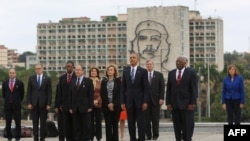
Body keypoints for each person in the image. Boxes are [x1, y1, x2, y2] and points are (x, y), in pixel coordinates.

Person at [165, 56, 198, 141]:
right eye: (177, 61)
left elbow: (194, 89)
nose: (178, 63)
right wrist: (168, 103)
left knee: (187, 127)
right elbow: (169, 89)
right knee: (177, 127)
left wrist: (192, 103)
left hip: (187, 105)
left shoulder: (191, 72)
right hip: (175, 105)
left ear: (185, 63)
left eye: (180, 61)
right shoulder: (171, 73)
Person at [120, 53, 149, 141]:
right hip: (129, 102)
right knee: (131, 123)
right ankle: (132, 139)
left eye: (134, 57)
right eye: (130, 58)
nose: (132, 59)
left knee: (141, 123)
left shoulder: (143, 71)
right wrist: (122, 102)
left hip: (140, 102)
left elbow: (146, 88)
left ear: (138, 60)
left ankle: (141, 139)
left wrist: (145, 102)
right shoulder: (126, 71)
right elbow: (123, 88)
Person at [27, 63, 52, 141]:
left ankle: (42, 138)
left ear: (42, 69)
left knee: (43, 123)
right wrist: (29, 102)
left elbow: (49, 92)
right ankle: (35, 137)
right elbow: (29, 91)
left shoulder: (47, 79)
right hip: (34, 104)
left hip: (43, 104)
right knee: (35, 123)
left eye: (39, 68)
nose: (37, 70)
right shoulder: (31, 78)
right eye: (36, 68)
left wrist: (48, 103)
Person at [69, 64, 94, 141]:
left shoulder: (88, 81)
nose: (77, 71)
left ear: (83, 71)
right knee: (77, 128)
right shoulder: (73, 82)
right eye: (76, 70)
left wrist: (90, 106)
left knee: (85, 128)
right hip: (75, 109)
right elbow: (70, 95)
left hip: (85, 108)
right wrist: (70, 107)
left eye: (79, 70)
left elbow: (91, 95)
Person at [2, 68, 24, 141]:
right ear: (9, 74)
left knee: (18, 121)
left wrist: (17, 101)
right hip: (8, 105)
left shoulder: (20, 83)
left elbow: (22, 94)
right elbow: (4, 94)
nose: (11, 74)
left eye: (13, 73)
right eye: (10, 73)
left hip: (16, 105)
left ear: (15, 74)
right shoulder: (5, 83)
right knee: (8, 122)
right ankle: (9, 136)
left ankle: (17, 137)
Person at [145, 60, 165, 140]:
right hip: (146, 101)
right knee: (146, 120)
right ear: (146, 65)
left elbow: (162, 88)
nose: (149, 65)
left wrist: (161, 98)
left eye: (150, 64)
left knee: (155, 119)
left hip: (156, 101)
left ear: (153, 65)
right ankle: (148, 135)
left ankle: (155, 135)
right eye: (148, 64)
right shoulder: (143, 75)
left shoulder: (159, 75)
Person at [101, 64, 121, 141]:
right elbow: (102, 94)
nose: (110, 71)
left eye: (111, 70)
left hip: (116, 106)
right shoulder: (104, 81)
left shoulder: (118, 81)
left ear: (114, 71)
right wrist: (108, 104)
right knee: (108, 125)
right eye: (108, 70)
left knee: (115, 125)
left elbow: (119, 94)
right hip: (106, 107)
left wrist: (113, 104)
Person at [57, 61, 76, 141]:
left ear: (73, 67)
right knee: (66, 125)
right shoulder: (62, 78)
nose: (68, 68)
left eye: (70, 66)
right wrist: (59, 104)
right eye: (67, 66)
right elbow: (59, 92)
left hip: (74, 105)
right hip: (64, 106)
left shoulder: (77, 77)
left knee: (74, 125)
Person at [89, 67, 103, 141]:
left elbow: (102, 93)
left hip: (98, 103)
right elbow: (86, 93)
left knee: (98, 121)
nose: (93, 72)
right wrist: (91, 101)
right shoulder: (87, 81)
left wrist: (97, 100)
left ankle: (98, 137)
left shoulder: (100, 82)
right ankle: (91, 137)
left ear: (97, 73)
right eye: (92, 71)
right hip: (89, 104)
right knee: (90, 121)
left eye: (95, 71)